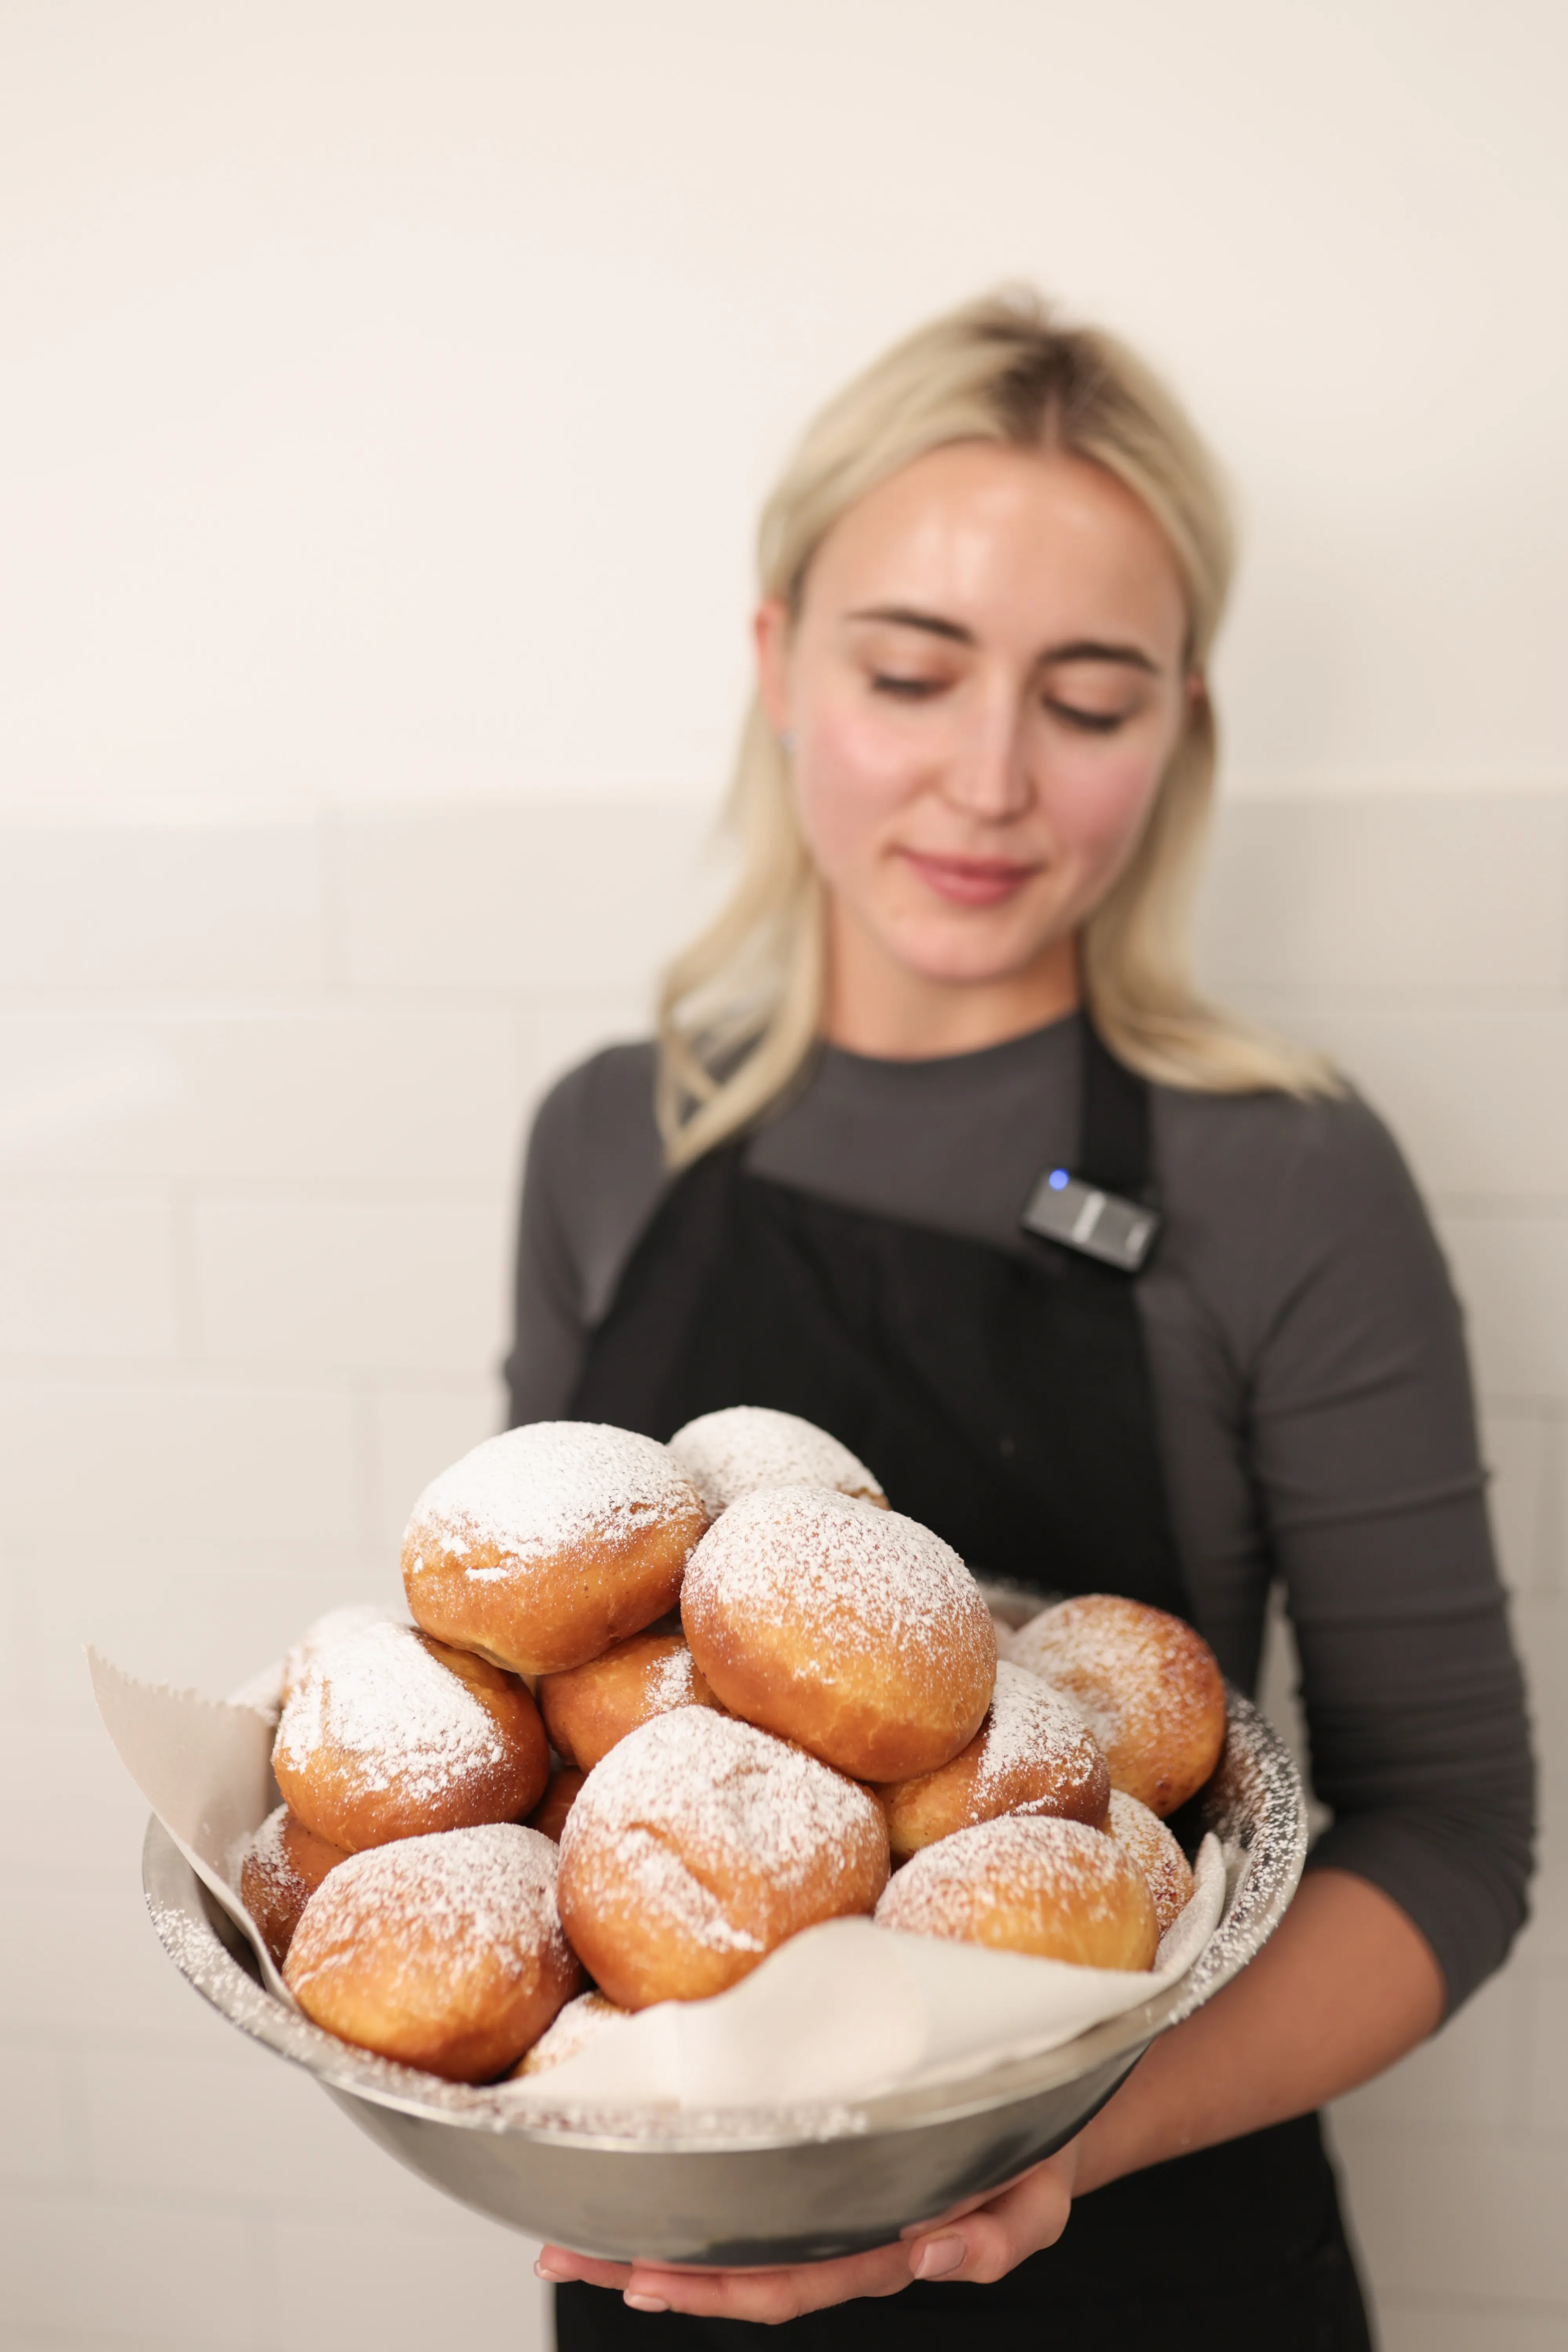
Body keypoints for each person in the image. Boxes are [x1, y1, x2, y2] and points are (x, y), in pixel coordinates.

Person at [505, 290, 1534, 2348]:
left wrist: (1059, 2143)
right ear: (782, 662)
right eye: (911, 671)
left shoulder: (1284, 1178)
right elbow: (560, 1734)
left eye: (1089, 699)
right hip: (670, 2284)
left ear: (1184, 723)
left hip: (1156, 2263)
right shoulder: (614, 1139)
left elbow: (1453, 1836)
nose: (989, 781)